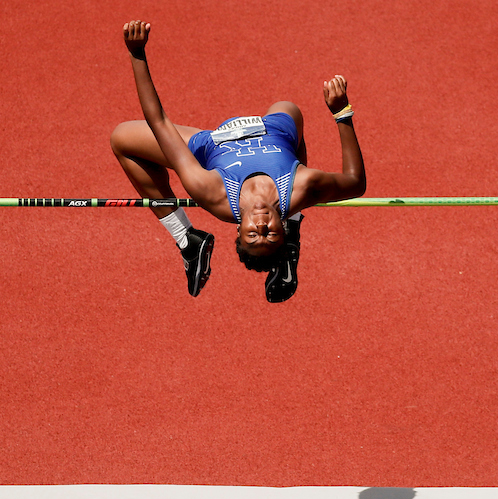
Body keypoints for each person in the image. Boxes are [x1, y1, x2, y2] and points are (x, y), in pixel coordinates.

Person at [110, 20, 367, 301]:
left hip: (213, 144)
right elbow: (355, 183)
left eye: (252, 237)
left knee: (122, 138)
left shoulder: (214, 193)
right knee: (288, 108)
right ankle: (295, 231)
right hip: (274, 132)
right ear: (280, 228)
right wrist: (342, 113)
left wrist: (137, 54)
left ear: (238, 230)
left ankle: (187, 240)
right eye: (271, 236)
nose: (261, 229)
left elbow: (159, 122)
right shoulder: (301, 188)